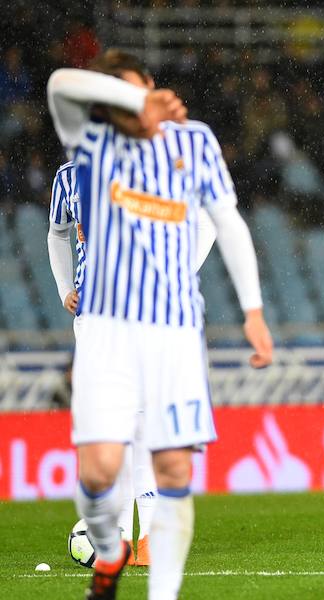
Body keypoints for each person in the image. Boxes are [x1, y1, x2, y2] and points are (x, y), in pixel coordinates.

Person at [47, 49, 273, 599]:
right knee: (99, 473)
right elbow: (59, 84)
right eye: (120, 96)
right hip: (105, 329)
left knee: (172, 469)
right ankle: (107, 547)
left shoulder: (192, 142)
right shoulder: (88, 149)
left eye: (141, 91)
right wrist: (133, 102)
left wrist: (253, 311)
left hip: (172, 328)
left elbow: (228, 223)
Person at [47, 159, 218, 566]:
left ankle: (150, 538)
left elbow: (205, 222)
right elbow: (57, 235)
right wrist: (64, 288)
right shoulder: (67, 176)